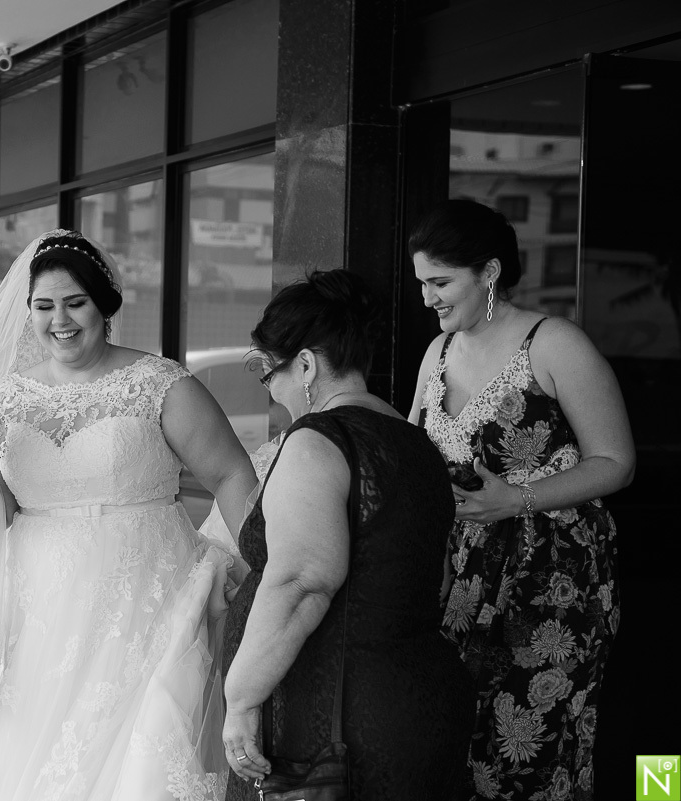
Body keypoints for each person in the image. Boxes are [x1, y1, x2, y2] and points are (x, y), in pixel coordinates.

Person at [0, 228, 257, 800]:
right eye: (44, 306)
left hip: (144, 599)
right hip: (40, 611)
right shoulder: (3, 401)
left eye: (75, 302)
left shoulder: (160, 384)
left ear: (104, 306)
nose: (60, 319)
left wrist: (244, 565)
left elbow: (232, 475)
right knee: (45, 757)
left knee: (142, 759)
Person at [407, 198, 635, 800]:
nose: (427, 297)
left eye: (440, 282)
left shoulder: (553, 343)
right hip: (455, 576)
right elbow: (412, 459)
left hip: (550, 578)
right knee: (456, 736)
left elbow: (616, 462)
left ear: (488, 272)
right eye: (421, 283)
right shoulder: (438, 353)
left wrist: (517, 499)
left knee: (528, 744)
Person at [220, 270, 473, 800]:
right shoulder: (418, 445)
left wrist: (241, 697)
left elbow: (301, 581)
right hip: (419, 698)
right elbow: (442, 579)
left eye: (271, 376)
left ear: (307, 364)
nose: (274, 395)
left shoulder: (318, 438)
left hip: (339, 713)